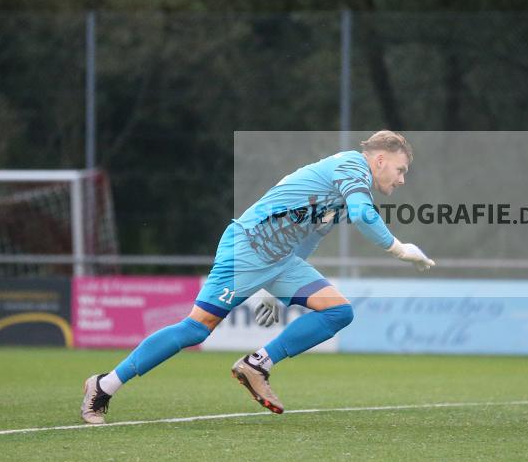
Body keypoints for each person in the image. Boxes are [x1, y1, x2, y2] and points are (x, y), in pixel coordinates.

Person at [81, 130, 435, 424]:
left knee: (338, 311)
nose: (401, 179)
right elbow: (363, 214)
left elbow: (310, 235)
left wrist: (276, 293)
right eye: (401, 170)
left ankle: (257, 364)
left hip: (281, 259)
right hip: (248, 247)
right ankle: (103, 385)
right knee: (196, 329)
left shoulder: (346, 189)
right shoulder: (351, 166)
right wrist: (399, 248)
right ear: (380, 160)